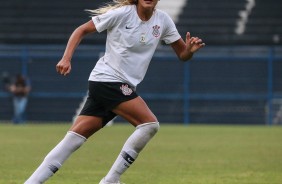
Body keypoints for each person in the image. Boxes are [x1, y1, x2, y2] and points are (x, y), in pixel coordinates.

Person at [24, 0, 205, 183]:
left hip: (112, 85)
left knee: (73, 139)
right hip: (108, 81)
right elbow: (81, 30)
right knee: (149, 125)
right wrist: (66, 58)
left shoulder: (163, 20)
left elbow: (183, 55)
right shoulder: (122, 14)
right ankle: (111, 180)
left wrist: (190, 50)